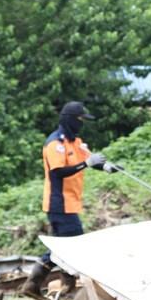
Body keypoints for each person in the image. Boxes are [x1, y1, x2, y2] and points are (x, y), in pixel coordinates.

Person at [42, 100, 106, 242]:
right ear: (70, 119)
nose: (82, 123)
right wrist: (86, 163)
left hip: (71, 203)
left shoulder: (75, 142)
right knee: (74, 244)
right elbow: (58, 172)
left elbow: (89, 160)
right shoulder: (55, 143)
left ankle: (41, 264)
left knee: (64, 247)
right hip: (59, 204)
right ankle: (41, 264)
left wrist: (105, 167)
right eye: (80, 119)